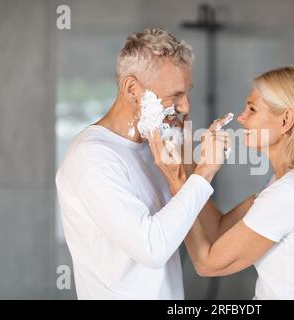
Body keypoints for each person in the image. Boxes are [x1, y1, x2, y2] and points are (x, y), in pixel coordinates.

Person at [55, 28, 227, 299]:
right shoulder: (91, 158)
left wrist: (188, 170)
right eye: (175, 95)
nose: (186, 107)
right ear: (132, 89)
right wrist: (205, 172)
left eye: (188, 93)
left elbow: (205, 225)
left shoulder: (156, 148)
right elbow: (152, 248)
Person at [150, 65, 294, 299]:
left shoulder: (289, 194)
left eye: (252, 109)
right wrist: (195, 166)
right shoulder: (286, 183)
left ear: (285, 121)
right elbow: (219, 228)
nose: (241, 117)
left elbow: (208, 264)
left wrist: (178, 180)